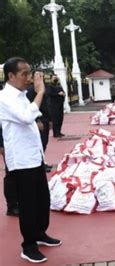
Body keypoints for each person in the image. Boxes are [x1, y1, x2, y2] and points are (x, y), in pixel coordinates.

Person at [0, 57, 61, 263]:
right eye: (23, 74)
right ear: (11, 76)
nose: (28, 78)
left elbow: (28, 118)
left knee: (42, 200)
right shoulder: (4, 98)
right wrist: (41, 91)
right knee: (28, 205)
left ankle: (40, 233)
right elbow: (25, 117)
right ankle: (28, 246)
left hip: (34, 157)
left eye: (29, 73)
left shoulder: (21, 95)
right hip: (21, 160)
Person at [26, 83, 53, 173]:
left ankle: (42, 162)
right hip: (39, 120)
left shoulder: (43, 89)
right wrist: (37, 120)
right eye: (38, 75)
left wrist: (49, 120)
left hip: (45, 118)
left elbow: (47, 105)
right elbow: (30, 106)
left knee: (44, 142)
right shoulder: (31, 90)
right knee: (40, 142)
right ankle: (40, 164)